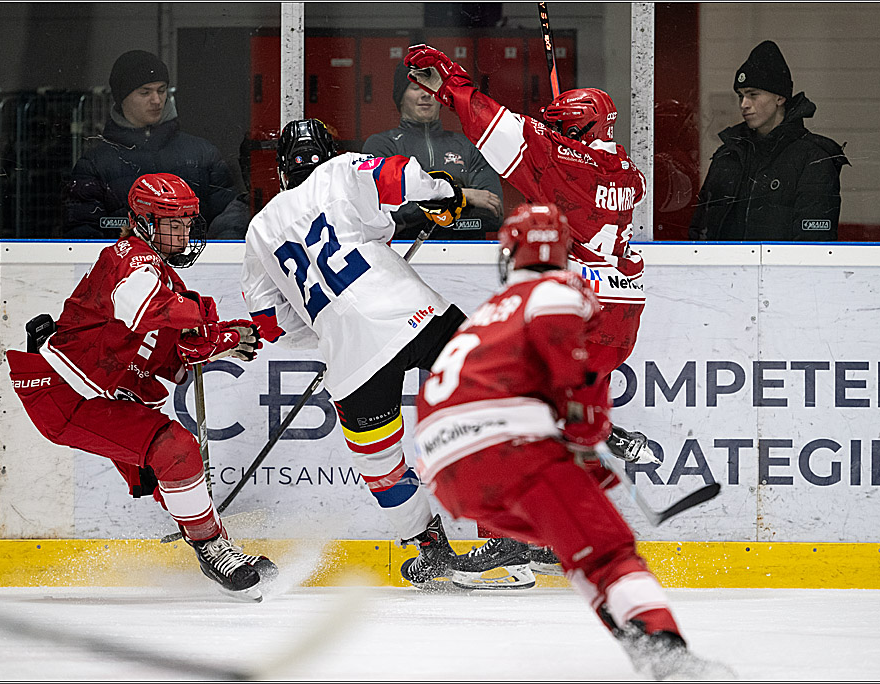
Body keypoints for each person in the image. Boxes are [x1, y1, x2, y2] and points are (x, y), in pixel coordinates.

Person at [413, 203, 733, 679]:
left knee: (578, 549)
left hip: (444, 470)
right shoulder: (558, 290)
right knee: (609, 553)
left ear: (510, 254)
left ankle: (638, 643)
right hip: (508, 450)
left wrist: (576, 449)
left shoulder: (489, 314)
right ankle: (668, 654)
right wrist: (589, 433)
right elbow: (575, 382)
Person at [404, 44, 659, 581]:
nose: (557, 134)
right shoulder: (626, 170)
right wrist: (560, 132)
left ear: (582, 128)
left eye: (565, 127)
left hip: (578, 311)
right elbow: (564, 153)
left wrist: (450, 81)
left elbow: (499, 130)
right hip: (620, 319)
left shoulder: (566, 163)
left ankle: (512, 538)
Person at [240, 119, 520, 589]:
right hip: (417, 314)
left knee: (381, 464)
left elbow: (269, 323)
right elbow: (401, 176)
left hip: (351, 359)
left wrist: (330, 327)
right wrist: (442, 195)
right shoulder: (341, 171)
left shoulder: (259, 229)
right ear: (329, 150)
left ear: (282, 171)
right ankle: (511, 538)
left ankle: (427, 549)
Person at [5, 173, 276, 602]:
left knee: (169, 469)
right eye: (173, 222)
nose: (184, 232)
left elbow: (167, 349)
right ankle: (212, 548)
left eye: (188, 221)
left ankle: (216, 544)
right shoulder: (130, 257)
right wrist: (208, 319)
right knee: (176, 448)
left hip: (99, 395)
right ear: (144, 221)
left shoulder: (160, 272)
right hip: (69, 394)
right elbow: (146, 308)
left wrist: (222, 339)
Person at [63, 50, 244, 240]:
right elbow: (81, 237)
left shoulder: (203, 154)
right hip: (126, 268)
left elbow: (229, 221)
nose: (156, 100)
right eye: (145, 92)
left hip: (196, 266)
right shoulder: (94, 164)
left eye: (161, 90)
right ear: (122, 97)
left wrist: (212, 260)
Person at [688, 40, 850, 241]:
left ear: (780, 98)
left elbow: (814, 244)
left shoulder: (813, 158)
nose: (744, 105)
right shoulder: (728, 155)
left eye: (753, 95)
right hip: (724, 272)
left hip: (786, 272)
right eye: (741, 96)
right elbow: (700, 232)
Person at [362, 62, 504, 240]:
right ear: (400, 97)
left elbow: (492, 213)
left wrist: (419, 203)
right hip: (400, 253)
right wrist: (463, 196)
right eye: (415, 88)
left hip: (467, 253)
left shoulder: (468, 146)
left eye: (431, 89)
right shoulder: (382, 146)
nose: (425, 95)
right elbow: (385, 213)